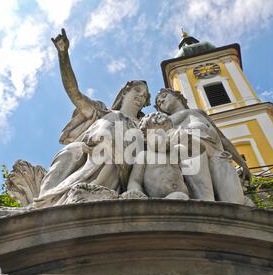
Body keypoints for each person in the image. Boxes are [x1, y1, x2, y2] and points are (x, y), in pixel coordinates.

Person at [33, 29, 151, 208]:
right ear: (125, 91)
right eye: (138, 91)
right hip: (91, 153)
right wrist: (63, 55)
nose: (141, 97)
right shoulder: (101, 111)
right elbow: (74, 93)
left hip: (120, 165)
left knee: (113, 138)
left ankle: (94, 190)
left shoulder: (144, 125)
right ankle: (43, 202)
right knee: (71, 150)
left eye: (145, 96)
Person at [155, 88, 252, 205]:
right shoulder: (165, 120)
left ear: (177, 96)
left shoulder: (200, 113)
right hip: (191, 150)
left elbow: (223, 139)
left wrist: (241, 162)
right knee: (206, 200)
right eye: (159, 103)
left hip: (219, 154)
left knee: (236, 202)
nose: (161, 102)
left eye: (164, 96)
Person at [126, 112, 189, 200]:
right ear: (145, 136)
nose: (165, 138)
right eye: (159, 134)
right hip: (157, 201)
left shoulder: (175, 151)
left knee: (180, 196)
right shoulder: (144, 156)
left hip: (182, 197)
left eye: (167, 133)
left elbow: (190, 178)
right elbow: (135, 181)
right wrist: (137, 193)